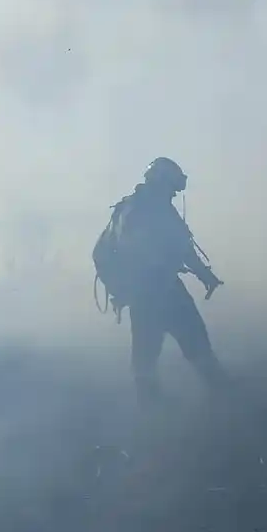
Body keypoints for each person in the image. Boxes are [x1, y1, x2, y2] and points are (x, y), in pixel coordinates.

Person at [93, 157, 227, 405]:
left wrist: (204, 275)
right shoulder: (140, 211)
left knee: (161, 351)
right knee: (168, 351)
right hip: (154, 292)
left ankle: (156, 409)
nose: (174, 193)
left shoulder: (151, 207)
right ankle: (159, 412)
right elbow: (152, 248)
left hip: (153, 292)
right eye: (173, 187)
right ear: (163, 183)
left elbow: (182, 247)